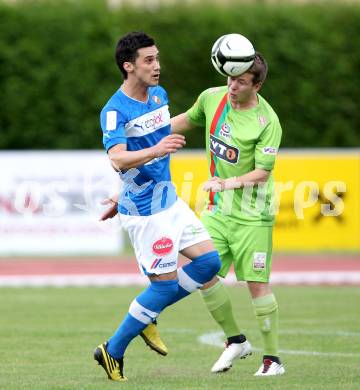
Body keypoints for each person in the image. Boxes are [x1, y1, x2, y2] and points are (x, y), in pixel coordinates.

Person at [94, 31, 221, 382]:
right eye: (149, 60)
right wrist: (155, 151)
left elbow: (158, 136)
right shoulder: (114, 111)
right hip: (147, 213)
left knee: (210, 262)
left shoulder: (159, 95)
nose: (157, 66)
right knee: (163, 288)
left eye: (157, 58)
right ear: (128, 66)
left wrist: (202, 112)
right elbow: (118, 159)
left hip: (170, 201)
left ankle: (147, 313)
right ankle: (113, 350)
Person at [170, 52, 285, 376]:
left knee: (256, 285)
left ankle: (273, 359)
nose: (232, 86)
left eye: (241, 82)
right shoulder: (212, 98)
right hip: (218, 212)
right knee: (204, 273)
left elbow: (262, 172)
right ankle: (236, 340)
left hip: (253, 214)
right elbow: (187, 120)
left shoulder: (267, 122)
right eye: (231, 79)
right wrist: (146, 134)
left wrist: (227, 183)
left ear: (257, 85)